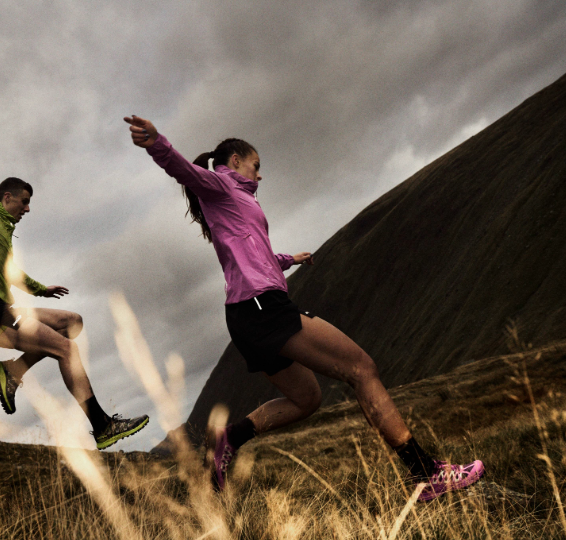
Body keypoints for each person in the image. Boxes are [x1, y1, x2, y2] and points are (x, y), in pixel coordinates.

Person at [124, 115, 484, 501]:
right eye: (256, 165)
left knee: (306, 399)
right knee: (362, 369)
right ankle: (426, 473)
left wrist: (287, 259)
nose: (260, 175)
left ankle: (231, 438)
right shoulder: (223, 186)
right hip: (263, 306)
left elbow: (251, 254)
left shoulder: (237, 201)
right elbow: (185, 172)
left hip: (247, 314)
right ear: (234, 162)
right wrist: (157, 143)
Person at [0, 118, 148, 450]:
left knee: (72, 322)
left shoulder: (3, 227)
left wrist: (39, 289)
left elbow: (9, 272)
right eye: (24, 202)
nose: (28, 209)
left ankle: (14, 371)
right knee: (66, 349)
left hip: (3, 306)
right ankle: (102, 426)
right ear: (7, 198)